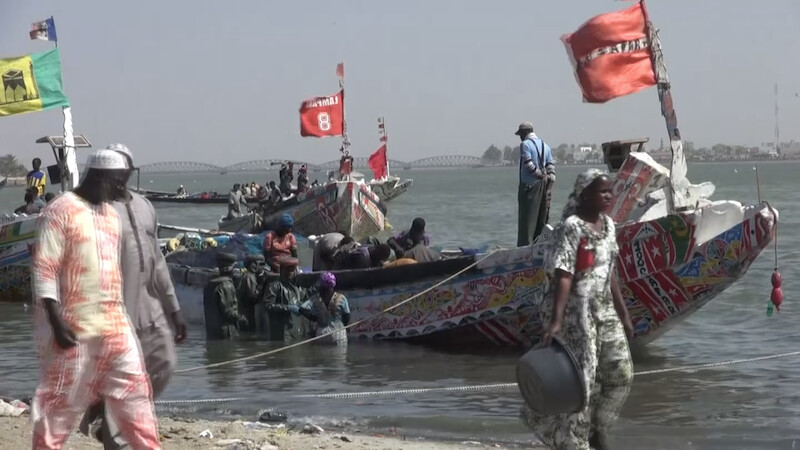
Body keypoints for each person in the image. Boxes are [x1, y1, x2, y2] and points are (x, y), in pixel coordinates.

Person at [31, 149, 160, 449]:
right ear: (100, 177)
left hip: (116, 329)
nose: (122, 190)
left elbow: (112, 272)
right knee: (57, 413)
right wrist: (55, 320)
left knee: (138, 404)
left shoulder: (111, 216)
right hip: (76, 330)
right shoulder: (59, 210)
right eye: (119, 183)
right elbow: (44, 267)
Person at [81, 143, 188, 449]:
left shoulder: (145, 207)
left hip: (149, 307)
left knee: (164, 362)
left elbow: (158, 261)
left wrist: (174, 308)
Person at [523, 168, 634, 450]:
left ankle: (598, 428)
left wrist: (623, 313)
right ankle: (573, 442)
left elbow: (610, 273)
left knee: (621, 374)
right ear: (585, 195)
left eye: (610, 190)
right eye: (602, 191)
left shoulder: (609, 226)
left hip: (605, 311)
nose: (609, 196)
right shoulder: (571, 227)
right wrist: (556, 321)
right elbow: (564, 274)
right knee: (582, 384)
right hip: (579, 315)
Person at [515, 121, 556, 247]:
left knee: (527, 221)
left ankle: (525, 249)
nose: (520, 137)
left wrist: (540, 175)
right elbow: (551, 167)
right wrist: (549, 184)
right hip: (543, 186)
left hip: (529, 187)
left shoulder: (525, 145)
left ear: (524, 132)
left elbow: (528, 165)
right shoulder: (545, 146)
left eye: (520, 134)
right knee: (541, 219)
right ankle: (540, 246)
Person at [260, 257, 318, 342]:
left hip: (295, 329)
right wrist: (287, 308)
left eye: (293, 270)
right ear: (282, 270)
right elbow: (267, 305)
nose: (291, 272)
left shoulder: (296, 287)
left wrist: (317, 287)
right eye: (288, 270)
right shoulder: (274, 286)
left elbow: (305, 295)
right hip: (281, 331)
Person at [203, 252, 248, 340]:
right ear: (229, 269)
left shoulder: (209, 285)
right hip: (226, 332)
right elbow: (229, 312)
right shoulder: (226, 285)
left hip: (212, 332)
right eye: (235, 267)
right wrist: (241, 318)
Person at [299, 272, 350, 345]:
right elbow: (347, 317)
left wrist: (314, 318)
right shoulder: (341, 298)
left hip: (321, 334)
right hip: (338, 334)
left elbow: (302, 309)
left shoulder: (315, 298)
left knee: (322, 354)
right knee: (339, 355)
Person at [237, 254, 266, 333]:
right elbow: (253, 298)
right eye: (261, 264)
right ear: (253, 264)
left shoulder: (250, 276)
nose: (262, 267)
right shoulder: (249, 277)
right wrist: (261, 284)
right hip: (247, 314)